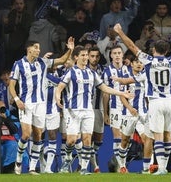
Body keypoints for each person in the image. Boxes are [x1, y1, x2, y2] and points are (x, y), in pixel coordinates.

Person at [113, 23, 171, 175]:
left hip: (155, 102)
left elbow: (131, 45)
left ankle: (162, 169)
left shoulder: (148, 61)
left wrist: (120, 32)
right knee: (170, 135)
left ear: (154, 50)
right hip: (170, 101)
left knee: (157, 136)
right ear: (167, 50)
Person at [55, 45, 133, 175]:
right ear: (76, 57)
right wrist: (58, 98)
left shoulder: (92, 73)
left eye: (86, 55)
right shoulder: (71, 72)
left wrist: (121, 93)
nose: (86, 58)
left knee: (87, 139)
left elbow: (104, 88)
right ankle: (68, 157)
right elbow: (60, 87)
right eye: (83, 55)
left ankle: (84, 168)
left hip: (88, 111)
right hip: (72, 111)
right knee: (71, 140)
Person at [9, 36, 75, 175]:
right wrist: (16, 99)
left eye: (39, 48)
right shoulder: (19, 64)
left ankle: (32, 168)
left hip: (40, 105)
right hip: (26, 104)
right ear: (29, 49)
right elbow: (11, 85)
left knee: (38, 136)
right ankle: (19, 159)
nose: (39, 50)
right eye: (36, 48)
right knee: (26, 135)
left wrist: (70, 50)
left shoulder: (43, 62)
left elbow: (61, 60)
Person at [101, 45, 130, 171]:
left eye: (119, 53)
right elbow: (105, 93)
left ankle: (120, 163)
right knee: (117, 136)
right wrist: (106, 113)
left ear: (123, 55)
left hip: (128, 108)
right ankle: (121, 167)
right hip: (115, 107)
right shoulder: (107, 72)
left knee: (126, 138)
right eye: (115, 53)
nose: (117, 55)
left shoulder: (129, 69)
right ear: (111, 56)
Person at [87, 46, 105, 173]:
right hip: (86, 108)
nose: (94, 59)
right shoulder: (82, 70)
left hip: (100, 108)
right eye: (92, 56)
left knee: (98, 140)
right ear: (88, 56)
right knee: (88, 137)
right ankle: (94, 166)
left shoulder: (104, 70)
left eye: (96, 56)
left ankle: (89, 159)